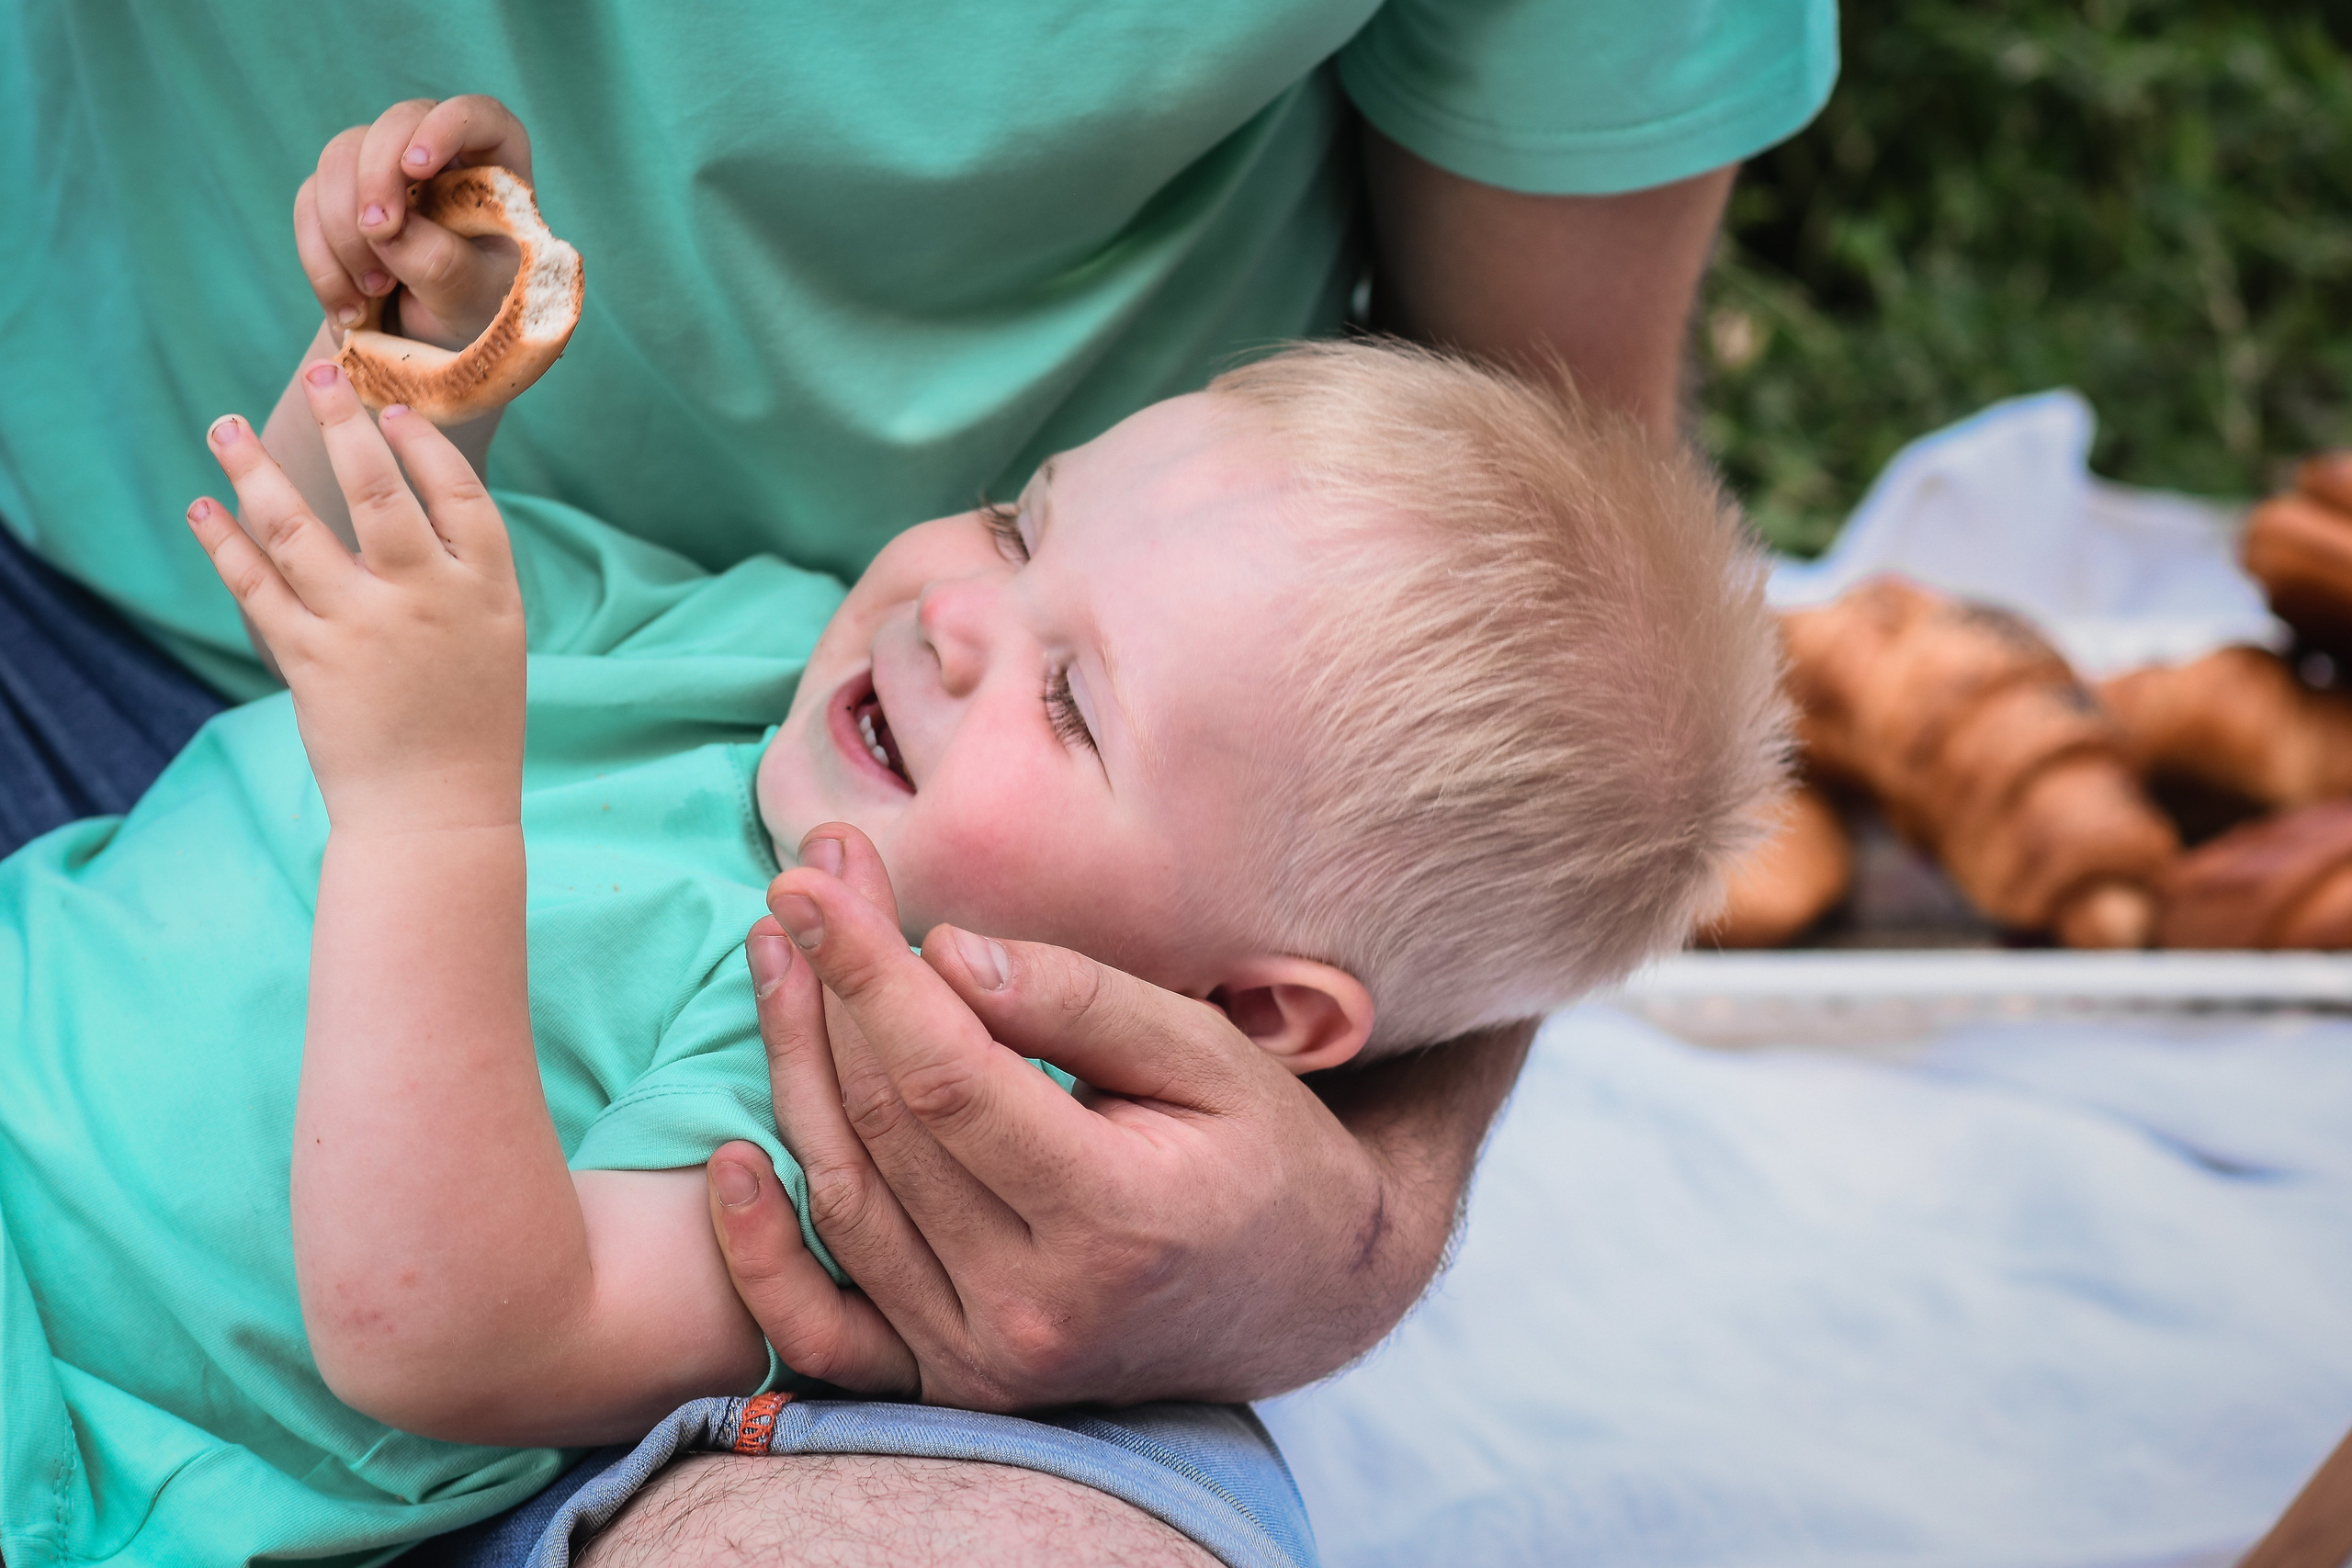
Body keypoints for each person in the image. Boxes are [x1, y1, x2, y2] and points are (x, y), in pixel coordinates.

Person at [0, 6, 1836, 1562]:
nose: (958, 619)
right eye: (1024, 517)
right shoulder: (764, 644)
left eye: (1072, 702)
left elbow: (456, 1328)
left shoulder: (885, 1098)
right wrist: (416, 355)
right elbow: (339, 566)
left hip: (78, 1408)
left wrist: (428, 811)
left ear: (1254, 1007)